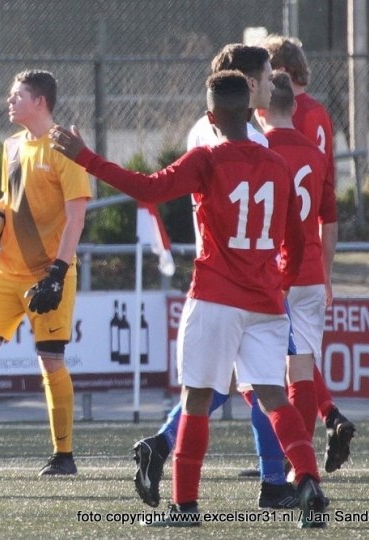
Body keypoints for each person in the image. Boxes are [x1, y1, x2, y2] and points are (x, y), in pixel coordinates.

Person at [51, 70, 329, 528]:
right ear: (249, 111)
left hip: (216, 296)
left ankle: (184, 507)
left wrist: (88, 159)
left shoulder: (207, 159)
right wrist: (281, 279)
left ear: (211, 116)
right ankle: (308, 481)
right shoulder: (276, 164)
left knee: (197, 397)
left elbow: (148, 188)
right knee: (275, 396)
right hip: (264, 302)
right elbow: (298, 239)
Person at [128, 44, 297, 511]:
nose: (270, 84)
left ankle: (165, 448)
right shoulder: (248, 141)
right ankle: (275, 479)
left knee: (219, 388)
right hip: (246, 277)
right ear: (245, 86)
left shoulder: (202, 130)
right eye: (264, 77)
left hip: (225, 275)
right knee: (260, 388)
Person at [0, 70, 91, 477]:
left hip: (49, 274)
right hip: (6, 272)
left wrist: (58, 272)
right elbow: (12, 204)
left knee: (50, 361)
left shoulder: (64, 147)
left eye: (16, 94)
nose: (9, 101)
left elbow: (77, 216)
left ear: (39, 101)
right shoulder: (11, 146)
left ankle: (64, 455)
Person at [264, 34, 355, 473]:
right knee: (299, 361)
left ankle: (282, 459)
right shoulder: (320, 114)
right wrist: (326, 272)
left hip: (278, 259)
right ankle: (318, 432)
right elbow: (327, 204)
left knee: (261, 368)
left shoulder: (281, 123)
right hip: (312, 259)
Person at [255, 71, 336, 450]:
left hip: (273, 274)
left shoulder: (261, 151)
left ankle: (278, 462)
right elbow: (329, 220)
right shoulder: (317, 155)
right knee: (301, 369)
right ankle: (299, 465)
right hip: (311, 275)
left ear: (262, 111)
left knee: (255, 375)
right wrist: (327, 276)